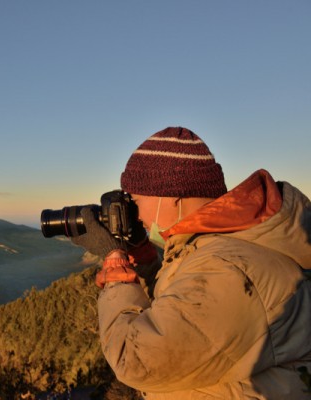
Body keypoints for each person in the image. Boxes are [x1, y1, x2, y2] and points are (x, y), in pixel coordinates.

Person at [71, 127, 311, 399]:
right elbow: (178, 311)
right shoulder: (219, 248)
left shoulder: (227, 268)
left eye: (135, 200)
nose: (133, 214)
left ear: (171, 195)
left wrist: (115, 263)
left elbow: (137, 361)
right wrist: (146, 260)